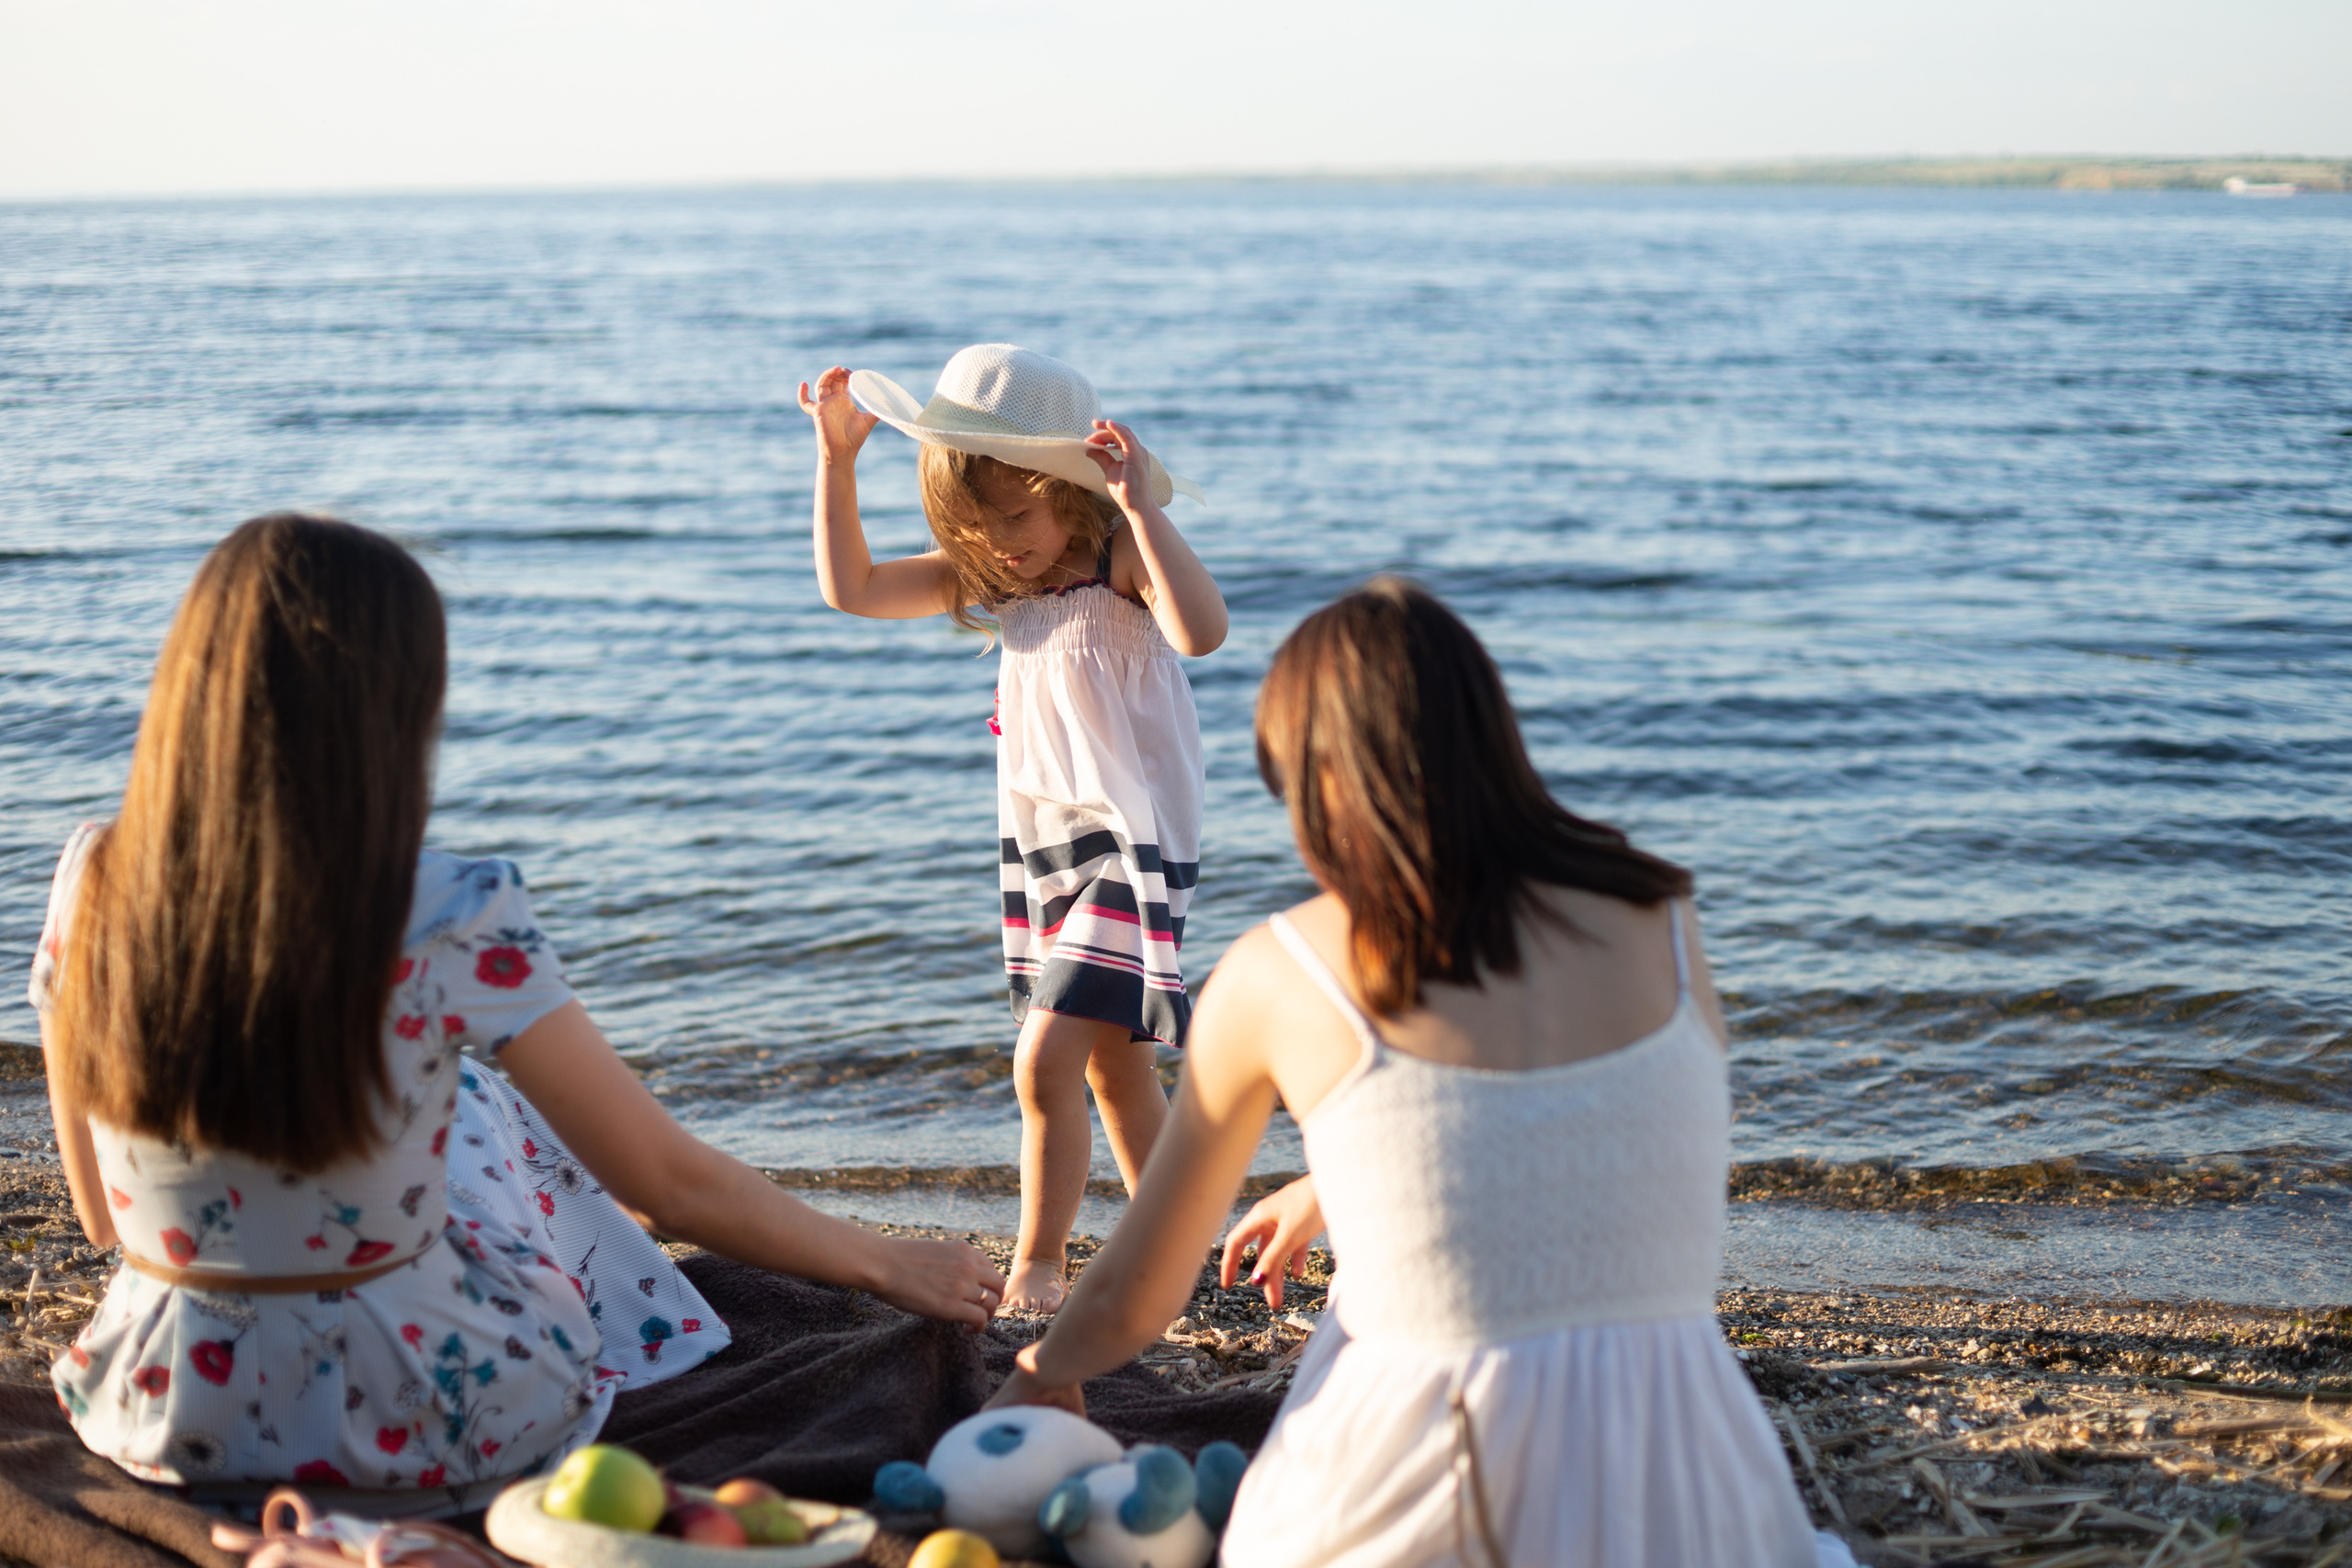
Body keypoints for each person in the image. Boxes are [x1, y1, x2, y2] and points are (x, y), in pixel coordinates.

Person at [28, 515, 1005, 1510]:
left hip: (166, 1411)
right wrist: (887, 1264)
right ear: (398, 704)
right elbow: (666, 1184)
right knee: (482, 1107)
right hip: (421, 1423)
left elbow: (103, 1213)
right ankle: (641, 1326)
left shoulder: (93, 879)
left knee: (427, 1105)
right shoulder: (447, 908)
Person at [988, 580, 1857, 1567]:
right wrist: (1345, 1177)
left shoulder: (1283, 968)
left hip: (1431, 1482)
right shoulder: (1662, 916)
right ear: (1495, 736)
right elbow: (1600, 1127)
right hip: (1696, 1481)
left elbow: (1143, 1286)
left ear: (1308, 778)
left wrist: (1043, 1369)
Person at [798, 344, 1227, 1314]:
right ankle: (1181, 1238)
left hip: (1133, 839)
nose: (997, 544)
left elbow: (1202, 631)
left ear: (1068, 492)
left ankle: (1038, 1263)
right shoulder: (997, 584)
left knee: (1044, 1057)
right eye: (974, 527)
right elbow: (853, 589)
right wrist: (836, 462)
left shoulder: (1119, 561)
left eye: (1016, 518)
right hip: (1048, 849)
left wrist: (1141, 508)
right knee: (1116, 1065)